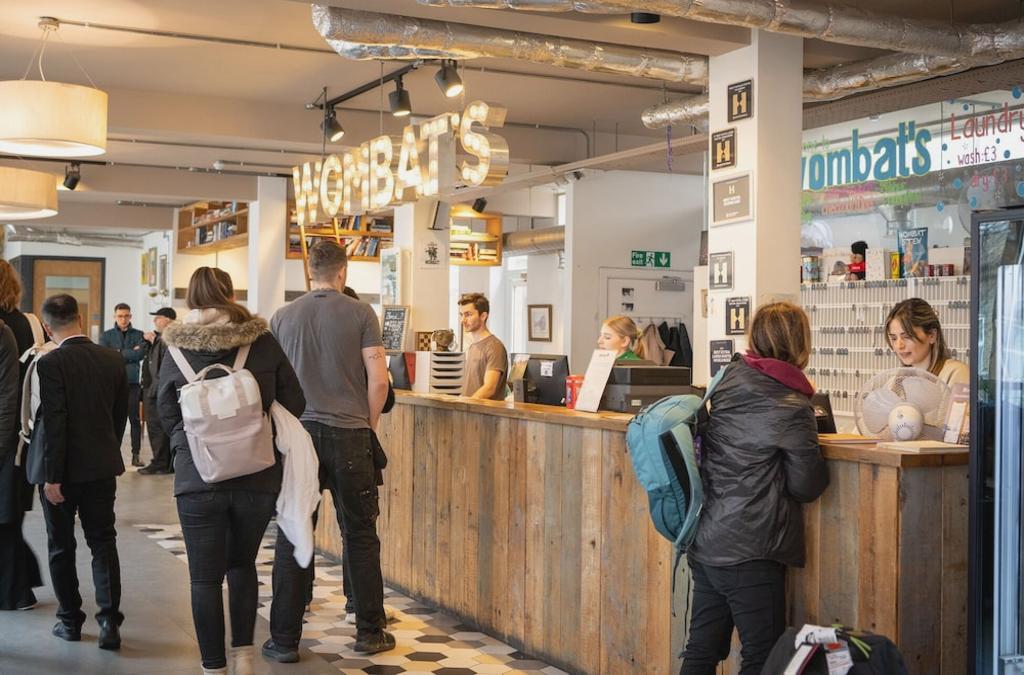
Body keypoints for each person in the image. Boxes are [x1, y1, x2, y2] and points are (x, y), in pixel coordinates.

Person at [157, 267, 305, 675]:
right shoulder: (262, 340)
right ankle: (244, 660)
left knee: (204, 579)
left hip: (197, 477)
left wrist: (189, 441)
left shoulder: (174, 346)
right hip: (256, 474)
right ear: (230, 295)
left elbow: (163, 408)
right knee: (242, 565)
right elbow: (296, 400)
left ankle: (213, 667)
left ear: (191, 298)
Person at [681, 302, 829, 675]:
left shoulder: (726, 381)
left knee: (700, 650)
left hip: (707, 538)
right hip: (753, 548)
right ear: (801, 343)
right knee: (762, 657)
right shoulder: (793, 404)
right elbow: (807, 486)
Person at [265, 241, 394, 663]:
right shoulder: (361, 313)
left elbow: (271, 385)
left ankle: (284, 640)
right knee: (360, 534)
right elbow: (380, 381)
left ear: (309, 272)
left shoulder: (282, 317)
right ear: (343, 272)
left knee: (294, 531)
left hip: (298, 437)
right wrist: (368, 425)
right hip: (350, 435)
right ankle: (370, 633)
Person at [35, 294, 129, 650]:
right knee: (103, 543)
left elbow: (55, 422)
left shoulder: (51, 363)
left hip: (62, 472)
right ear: (80, 317)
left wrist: (52, 476)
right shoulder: (112, 358)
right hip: (101, 467)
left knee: (61, 545)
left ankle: (70, 621)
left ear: (48, 328)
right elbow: (119, 417)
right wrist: (107, 451)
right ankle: (109, 624)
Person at [0, 261, 43, 611]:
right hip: (25, 430)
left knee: (6, 517)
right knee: (10, 514)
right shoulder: (31, 323)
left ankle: (17, 590)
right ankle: (21, 583)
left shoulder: (7, 330)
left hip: (7, 428)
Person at [99, 303, 146, 468]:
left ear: (130, 316)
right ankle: (112, 455)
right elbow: (105, 356)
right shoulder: (106, 336)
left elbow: (140, 354)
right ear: (115, 317)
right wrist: (130, 353)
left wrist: (117, 352)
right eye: (120, 316)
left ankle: (136, 455)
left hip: (132, 383)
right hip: (112, 383)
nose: (123, 319)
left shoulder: (139, 334)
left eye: (126, 316)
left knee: (134, 420)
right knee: (112, 420)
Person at [884, 297, 969, 387]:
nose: (899, 346)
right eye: (894, 338)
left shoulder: (957, 373)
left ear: (932, 335)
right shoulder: (894, 382)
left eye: (907, 337)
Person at [138, 307, 176, 475]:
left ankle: (160, 463)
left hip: (159, 390)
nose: (155, 321)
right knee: (157, 427)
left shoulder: (167, 340)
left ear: (168, 320)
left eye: (158, 317)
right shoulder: (158, 339)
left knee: (157, 428)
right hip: (153, 388)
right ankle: (164, 462)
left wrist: (156, 341)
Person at [458, 293, 508, 400]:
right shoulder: (472, 346)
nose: (463, 320)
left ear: (483, 316)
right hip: (469, 409)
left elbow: (489, 388)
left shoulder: (494, 347)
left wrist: (466, 404)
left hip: (482, 411)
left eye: (468, 315)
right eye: (461, 315)